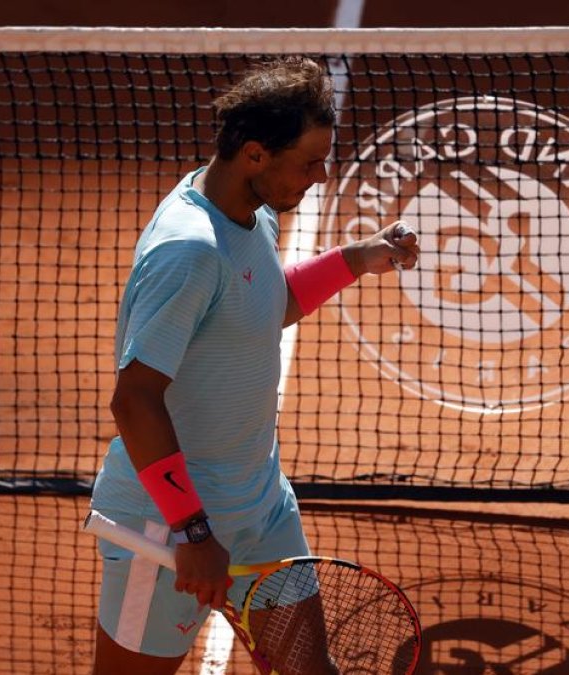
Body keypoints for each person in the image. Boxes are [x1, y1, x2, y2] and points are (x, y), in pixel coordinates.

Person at [89, 56, 419, 675]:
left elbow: (261, 304)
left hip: (260, 508)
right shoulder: (187, 251)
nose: (321, 177)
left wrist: (356, 258)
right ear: (255, 155)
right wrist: (192, 533)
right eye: (309, 162)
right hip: (167, 529)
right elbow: (133, 400)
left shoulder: (251, 210)